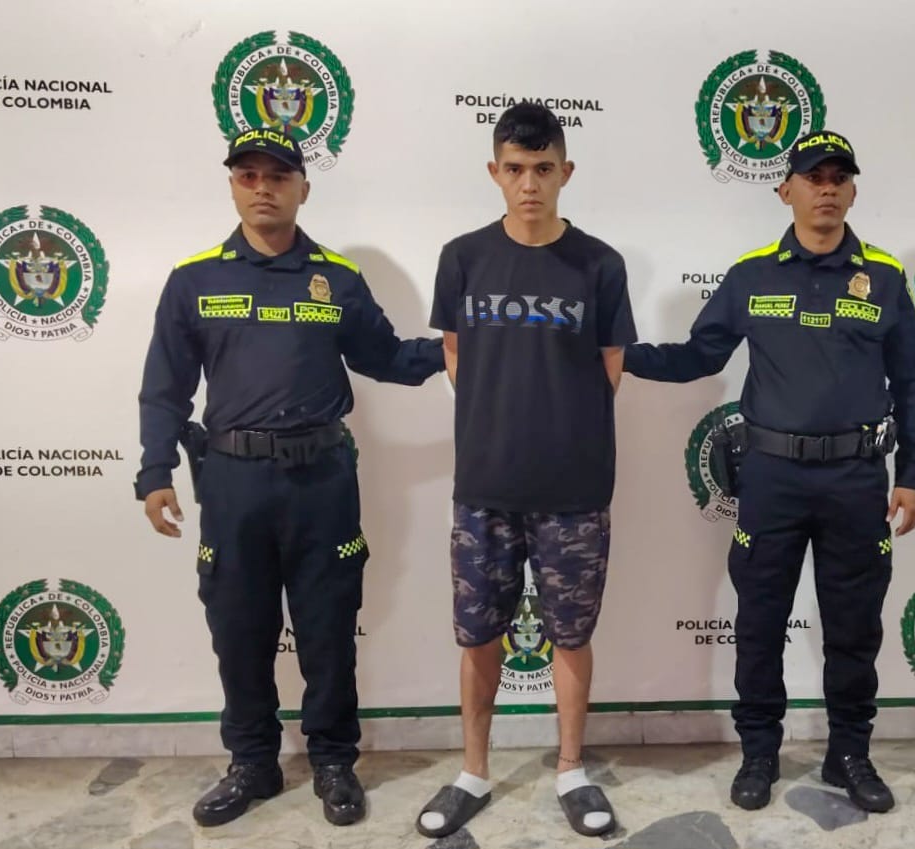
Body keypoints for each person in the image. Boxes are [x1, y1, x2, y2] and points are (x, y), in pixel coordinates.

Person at [135, 128, 445, 828]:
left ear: (304, 187)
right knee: (239, 629)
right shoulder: (195, 280)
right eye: (247, 175)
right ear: (232, 186)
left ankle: (333, 760)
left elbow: (387, 358)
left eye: (277, 176)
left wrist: (458, 347)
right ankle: (252, 762)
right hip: (233, 482)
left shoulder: (337, 278)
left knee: (327, 628)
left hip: (322, 482)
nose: (262, 188)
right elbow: (165, 388)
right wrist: (155, 471)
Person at [624, 130, 915, 814]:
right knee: (760, 621)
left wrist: (912, 472)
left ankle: (849, 752)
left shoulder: (884, 277)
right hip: (771, 477)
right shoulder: (751, 275)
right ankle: (759, 751)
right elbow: (698, 356)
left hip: (856, 479)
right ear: (784, 189)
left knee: (854, 625)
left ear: (852, 191)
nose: (826, 189)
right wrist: (620, 356)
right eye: (813, 177)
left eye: (838, 178)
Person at [416, 102, 637, 839]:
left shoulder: (600, 263)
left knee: (570, 635)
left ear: (565, 171)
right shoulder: (462, 257)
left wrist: (559, 428)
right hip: (484, 488)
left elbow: (610, 365)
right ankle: (473, 771)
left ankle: (571, 769)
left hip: (574, 490)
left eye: (544, 169)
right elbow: (454, 351)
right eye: (515, 169)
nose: (529, 184)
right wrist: (498, 421)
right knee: (477, 634)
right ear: (494, 171)